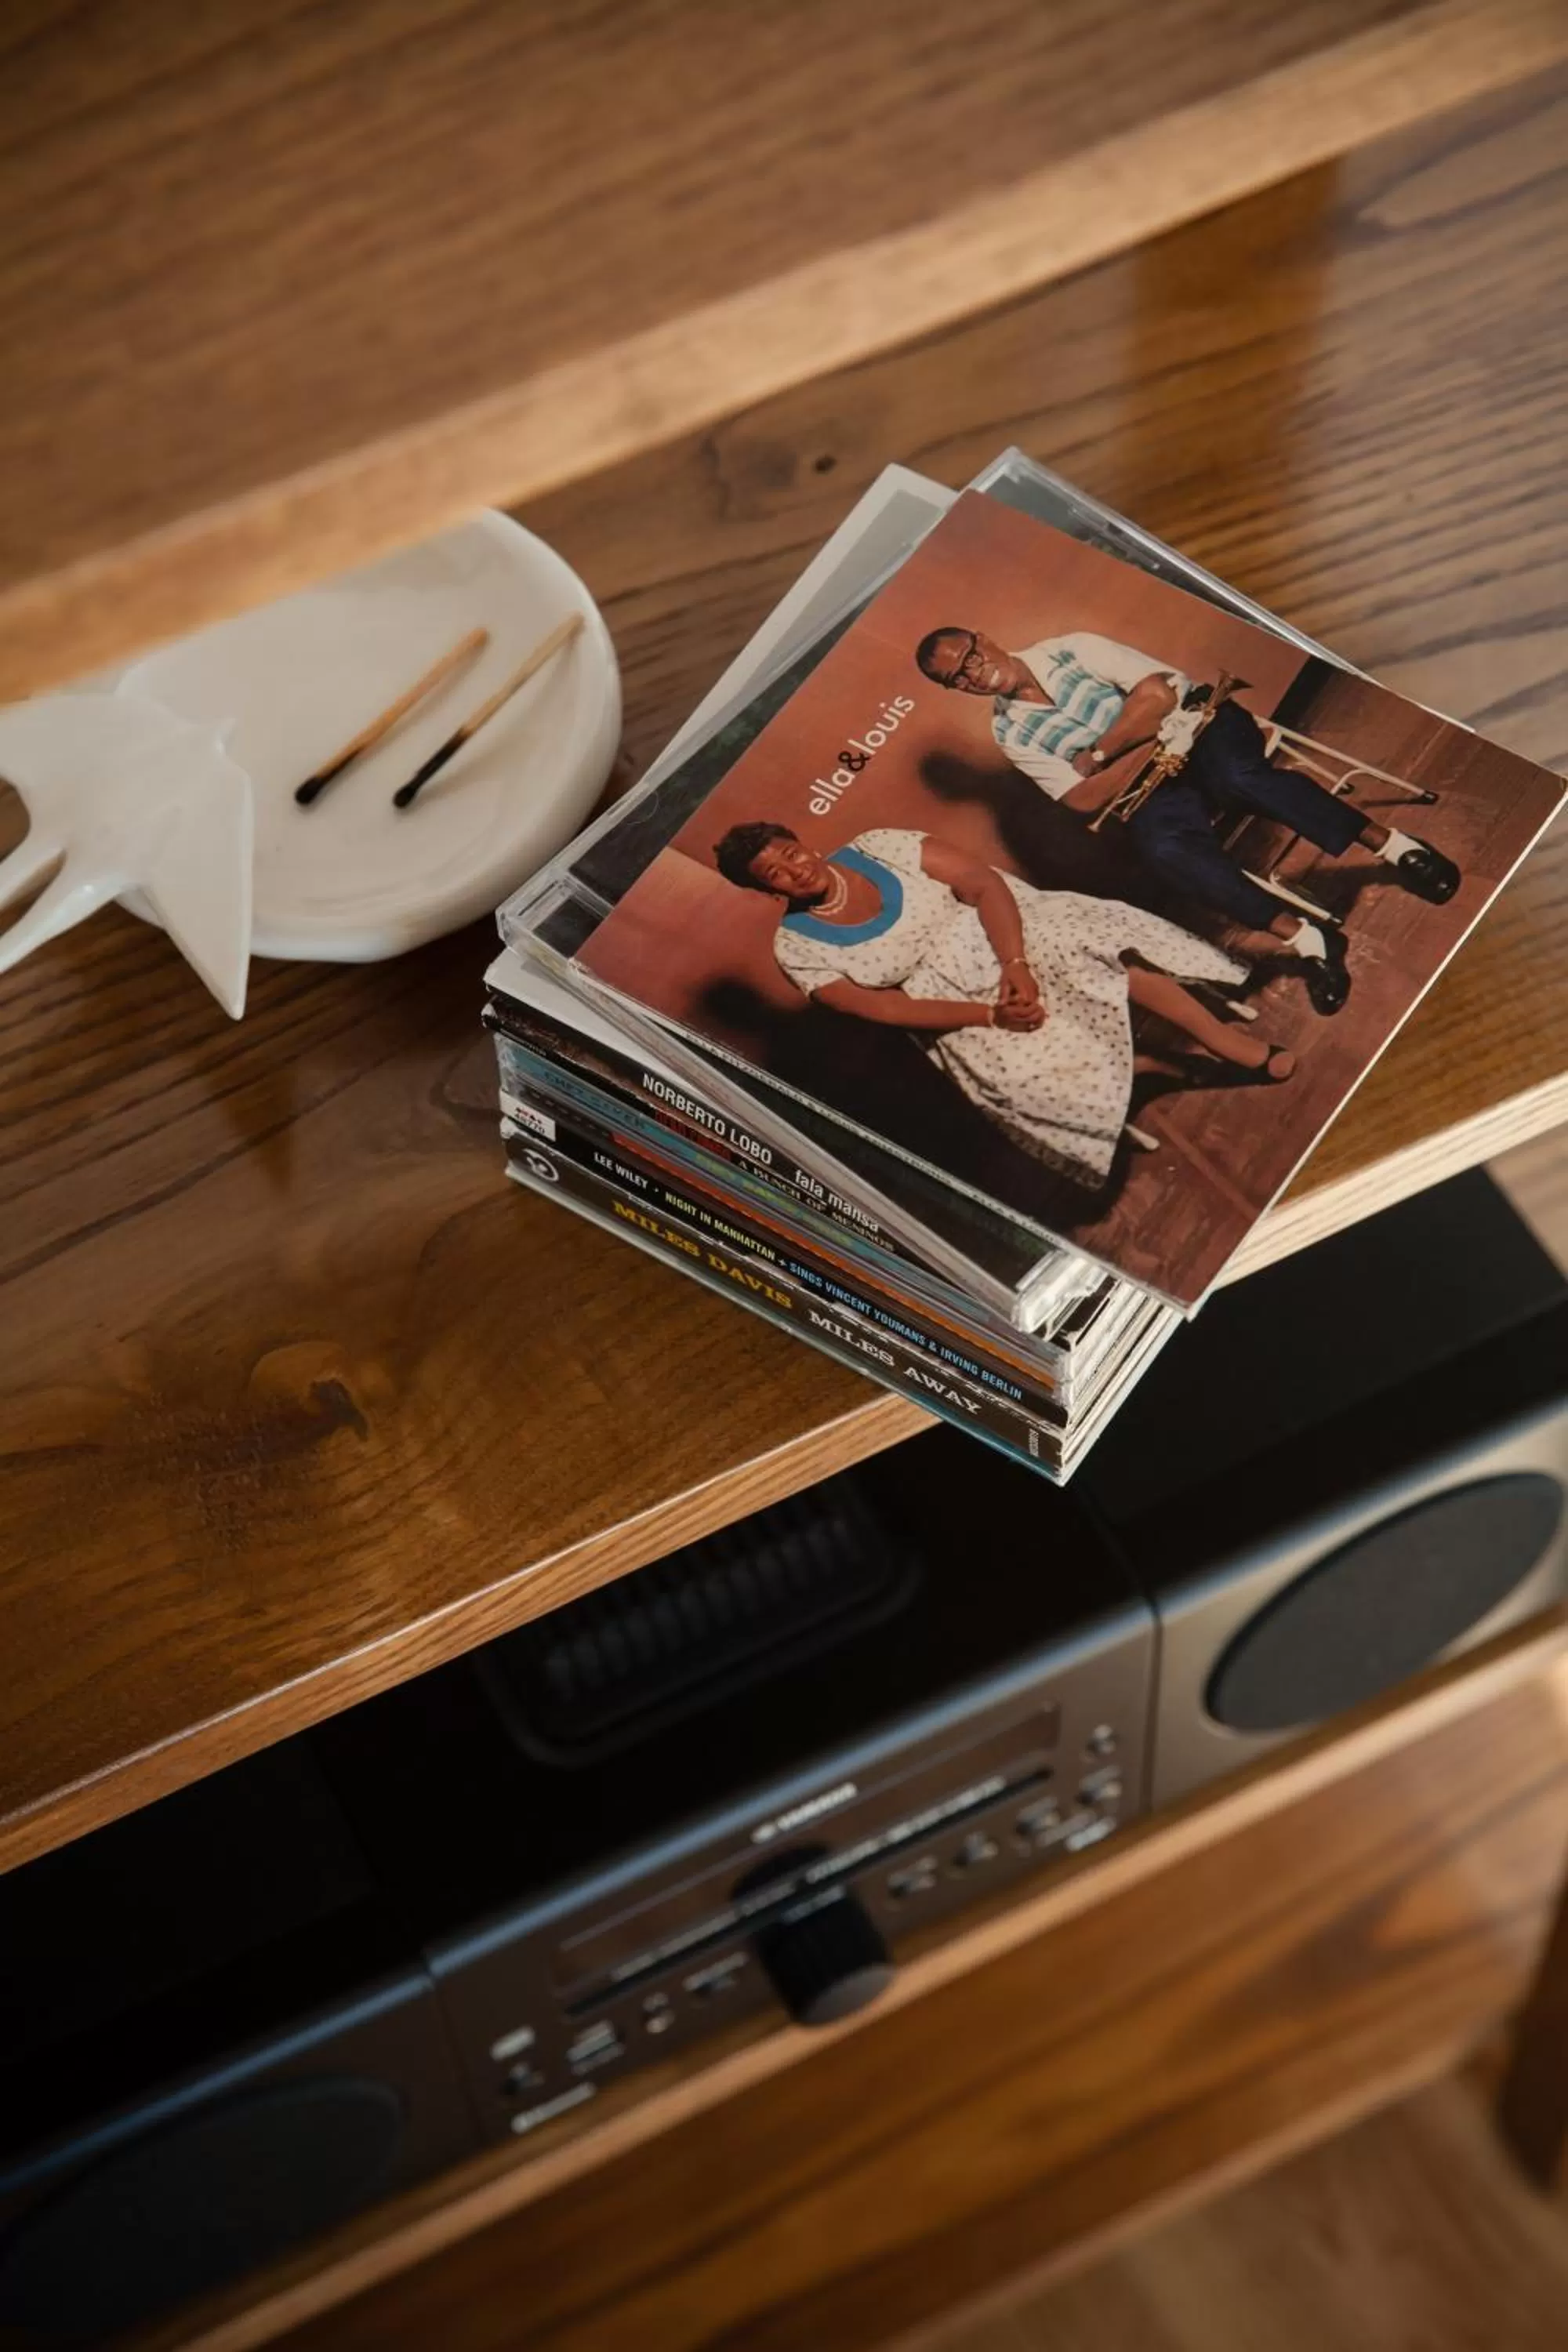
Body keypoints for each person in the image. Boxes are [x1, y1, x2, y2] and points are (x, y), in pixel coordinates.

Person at [711, 819, 1294, 1192]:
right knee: (1002, 1072)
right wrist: (990, 1015)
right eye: (776, 874)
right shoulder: (797, 947)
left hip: (1003, 929)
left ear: (804, 842)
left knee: (1078, 943)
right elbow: (883, 1012)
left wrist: (1015, 965)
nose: (795, 869)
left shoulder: (880, 847)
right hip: (950, 1001)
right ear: (768, 891)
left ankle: (1223, 1041)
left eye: (791, 852)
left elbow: (983, 884)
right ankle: (1138, 1067)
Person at [913, 626, 1462, 1017]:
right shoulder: (1011, 734)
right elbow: (1081, 801)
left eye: (970, 659)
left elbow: (1159, 695)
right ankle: (1311, 941)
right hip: (1153, 783)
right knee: (1167, 853)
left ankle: (1395, 847)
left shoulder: (1071, 649)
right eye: (956, 680)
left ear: (984, 640)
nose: (974, 677)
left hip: (1207, 727)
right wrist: (1145, 741)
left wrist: (1102, 755)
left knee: (1242, 779)